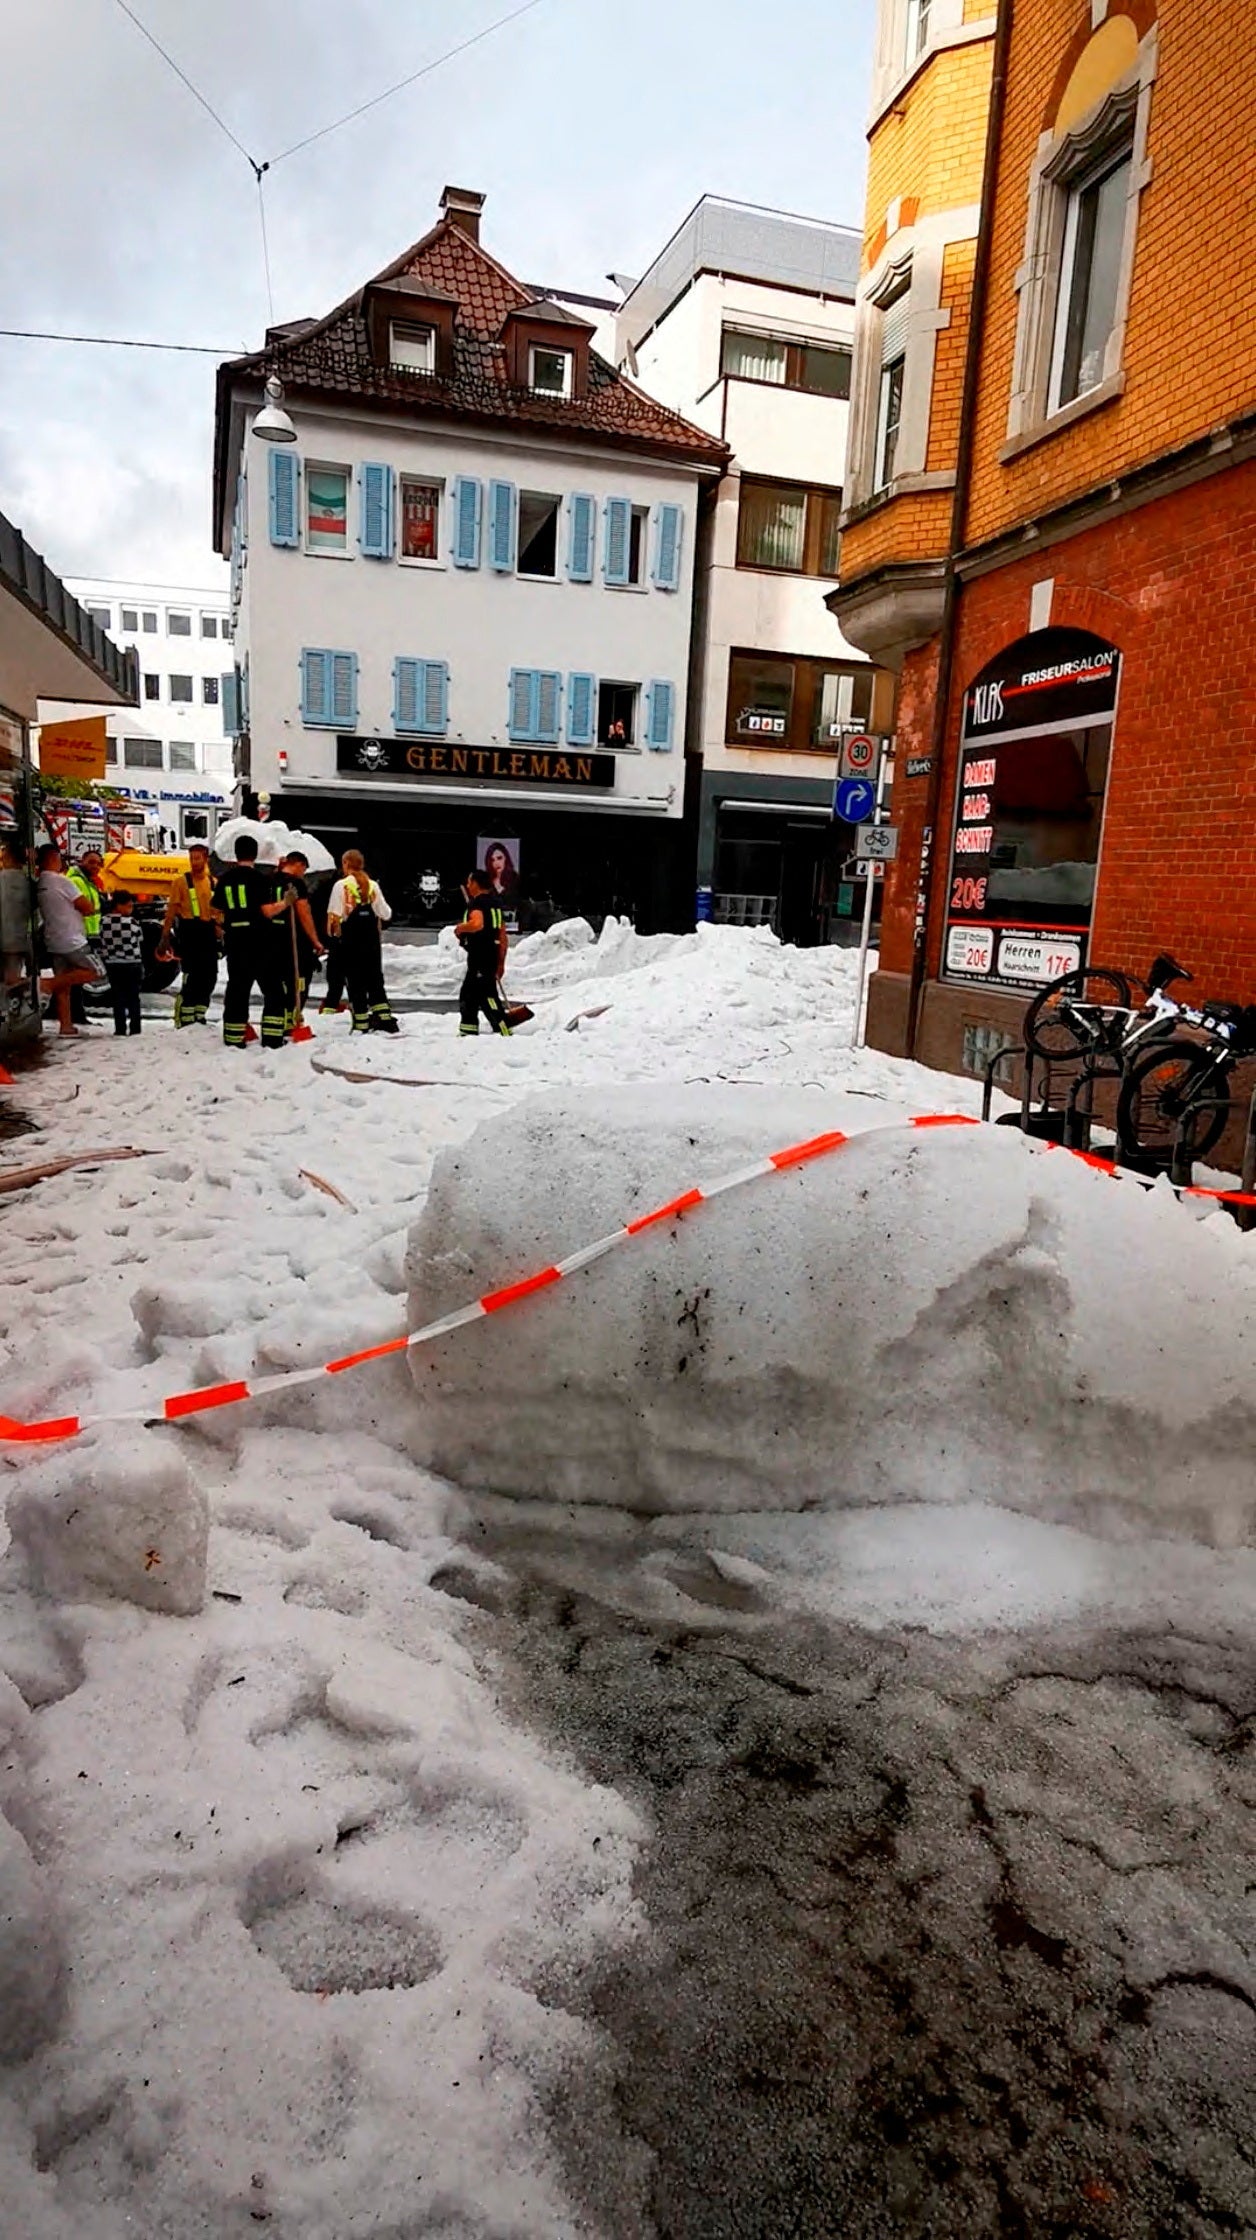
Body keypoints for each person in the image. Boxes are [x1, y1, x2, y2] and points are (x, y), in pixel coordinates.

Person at [210, 835, 290, 1049]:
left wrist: (223, 928)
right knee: (273, 989)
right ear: (255, 854)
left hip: (235, 941)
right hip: (260, 941)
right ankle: (273, 1038)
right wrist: (285, 902)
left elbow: (215, 911)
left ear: (236, 854)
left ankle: (233, 1037)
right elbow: (266, 911)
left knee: (238, 988)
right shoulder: (260, 880)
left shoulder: (224, 879)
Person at [325, 850, 398, 1033]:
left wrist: (333, 938)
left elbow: (335, 916)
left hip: (350, 941)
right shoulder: (373, 886)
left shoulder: (341, 886)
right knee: (375, 980)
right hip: (371, 942)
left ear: (345, 864)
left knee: (355, 981)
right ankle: (384, 1017)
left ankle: (361, 1024)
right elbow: (386, 913)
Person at [36, 843, 102, 1036]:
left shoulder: (40, 882)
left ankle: (66, 1025)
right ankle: (47, 984)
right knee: (95, 972)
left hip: (53, 938)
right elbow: (87, 907)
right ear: (54, 859)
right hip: (72, 938)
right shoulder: (62, 881)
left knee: (64, 988)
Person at [157, 843, 219, 1026]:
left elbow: (218, 912)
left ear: (206, 858)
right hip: (189, 933)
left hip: (208, 934)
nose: (193, 862)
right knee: (192, 977)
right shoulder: (180, 882)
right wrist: (165, 937)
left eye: (197, 858)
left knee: (209, 977)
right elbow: (171, 912)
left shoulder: (214, 883)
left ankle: (199, 1015)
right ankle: (184, 1018)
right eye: (191, 858)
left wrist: (220, 930)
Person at [270, 851, 325, 1036]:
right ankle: (293, 1021)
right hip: (293, 940)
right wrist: (315, 941)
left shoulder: (270, 880)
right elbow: (304, 914)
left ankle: (280, 1020)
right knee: (298, 983)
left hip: (272, 939)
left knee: (279, 983)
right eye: (304, 869)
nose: (303, 874)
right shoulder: (296, 884)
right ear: (299, 864)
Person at [455, 868, 511, 1037]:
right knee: (470, 994)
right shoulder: (496, 905)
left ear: (475, 884)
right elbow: (503, 936)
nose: (467, 885)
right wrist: (501, 962)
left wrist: (460, 928)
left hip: (480, 955)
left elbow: (477, 924)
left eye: (469, 881)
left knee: (487, 995)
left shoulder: (477, 903)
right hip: (491, 954)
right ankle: (468, 1029)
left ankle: (503, 1027)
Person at [98, 891, 144, 1036]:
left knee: (118, 997)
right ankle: (135, 1028)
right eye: (129, 906)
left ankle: (120, 1028)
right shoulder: (131, 922)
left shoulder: (103, 922)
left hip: (112, 963)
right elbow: (139, 938)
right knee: (133, 997)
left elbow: (102, 940)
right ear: (118, 906)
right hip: (132, 963)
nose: (131, 909)